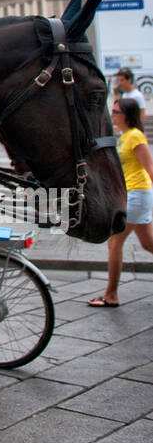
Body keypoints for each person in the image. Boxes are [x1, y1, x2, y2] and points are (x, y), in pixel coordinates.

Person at [88, 97, 153, 307]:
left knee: (114, 242)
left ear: (127, 115)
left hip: (137, 194)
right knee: (147, 243)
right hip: (133, 194)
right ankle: (111, 293)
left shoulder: (136, 137)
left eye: (116, 112)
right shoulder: (124, 136)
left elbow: (150, 169)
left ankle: (111, 294)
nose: (112, 116)